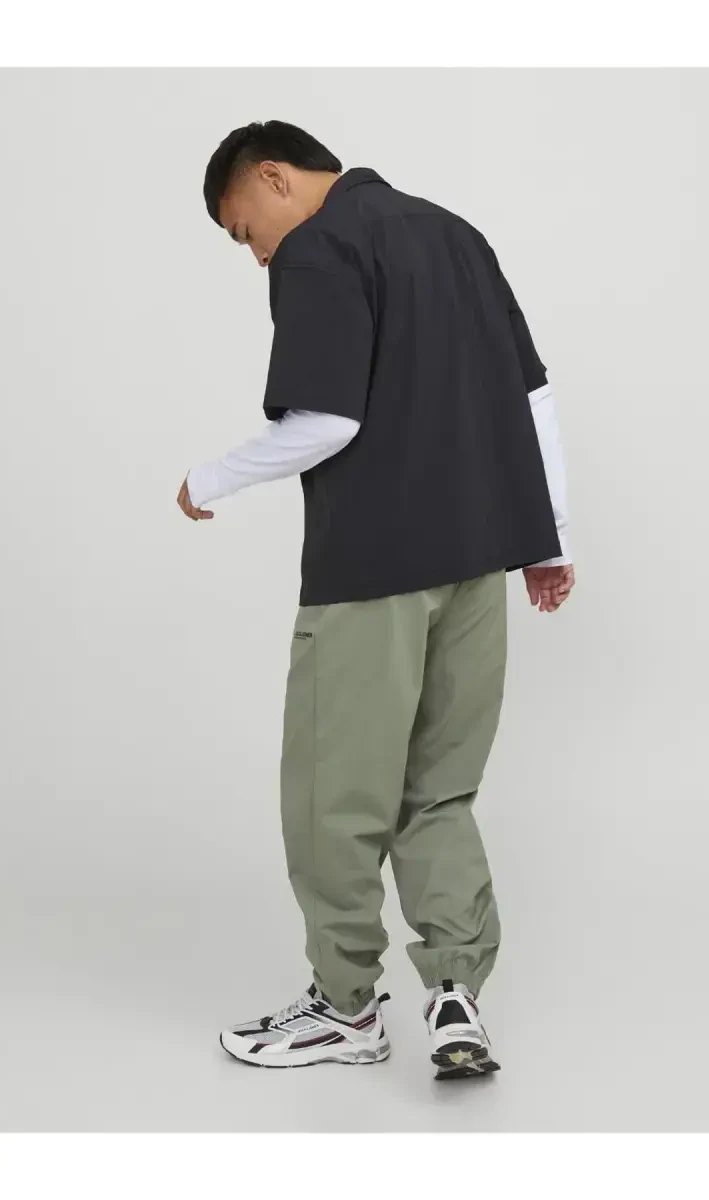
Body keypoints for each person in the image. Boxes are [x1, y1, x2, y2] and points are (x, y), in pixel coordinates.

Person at [176, 120, 575, 1081]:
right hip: (479, 561)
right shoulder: (454, 233)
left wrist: (210, 478)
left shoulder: (319, 247)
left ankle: (346, 1007)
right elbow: (532, 395)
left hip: (372, 571)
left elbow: (327, 420)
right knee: (439, 790)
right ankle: (456, 992)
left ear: (275, 177)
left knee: (333, 798)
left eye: (244, 229)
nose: (255, 253)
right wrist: (547, 537)